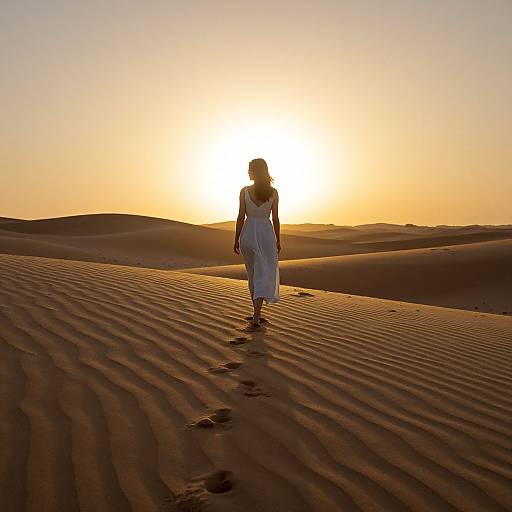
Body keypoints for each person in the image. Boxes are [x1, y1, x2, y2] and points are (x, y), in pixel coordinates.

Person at [233, 158, 280, 327]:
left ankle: (256, 313)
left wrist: (237, 239)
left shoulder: (244, 191)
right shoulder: (274, 192)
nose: (247, 171)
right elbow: (275, 218)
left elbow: (240, 216)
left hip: (248, 233)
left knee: (253, 274)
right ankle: (256, 315)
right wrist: (278, 240)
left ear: (256, 171)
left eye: (250, 169)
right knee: (262, 273)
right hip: (266, 234)